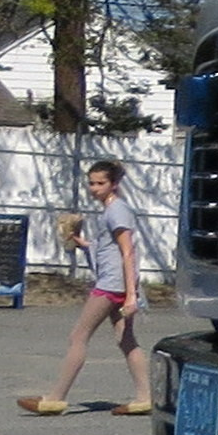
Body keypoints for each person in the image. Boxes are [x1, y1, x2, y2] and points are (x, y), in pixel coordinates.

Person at [23, 159, 150, 417]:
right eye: (91, 183)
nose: (94, 188)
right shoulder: (112, 210)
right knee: (126, 339)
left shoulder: (117, 211)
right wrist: (83, 243)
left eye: (100, 183)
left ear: (114, 184)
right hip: (116, 282)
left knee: (78, 336)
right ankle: (146, 397)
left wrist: (131, 296)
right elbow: (109, 250)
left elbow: (127, 253)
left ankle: (55, 399)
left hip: (112, 285)